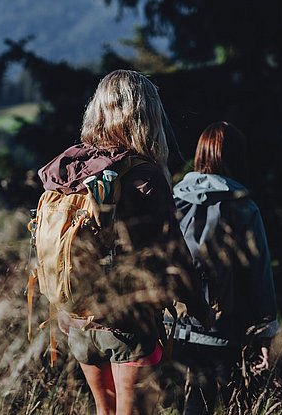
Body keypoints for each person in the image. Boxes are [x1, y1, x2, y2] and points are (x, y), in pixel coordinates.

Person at [37, 70, 208, 415]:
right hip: (129, 323)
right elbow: (172, 250)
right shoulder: (145, 176)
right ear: (145, 114)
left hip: (78, 321)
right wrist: (198, 305)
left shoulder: (75, 167)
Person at [172, 121, 278, 415]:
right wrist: (266, 332)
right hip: (223, 328)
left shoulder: (174, 199)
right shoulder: (243, 207)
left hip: (174, 326)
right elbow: (259, 274)